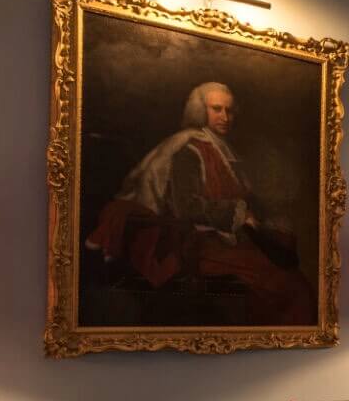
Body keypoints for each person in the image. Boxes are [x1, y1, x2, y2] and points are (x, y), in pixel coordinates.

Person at [84, 81, 315, 325]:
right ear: (199, 110)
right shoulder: (189, 151)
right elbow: (186, 207)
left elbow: (240, 196)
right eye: (217, 109)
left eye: (229, 110)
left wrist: (259, 218)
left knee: (289, 272)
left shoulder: (222, 149)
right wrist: (238, 215)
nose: (225, 117)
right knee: (284, 285)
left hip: (230, 239)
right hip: (199, 243)